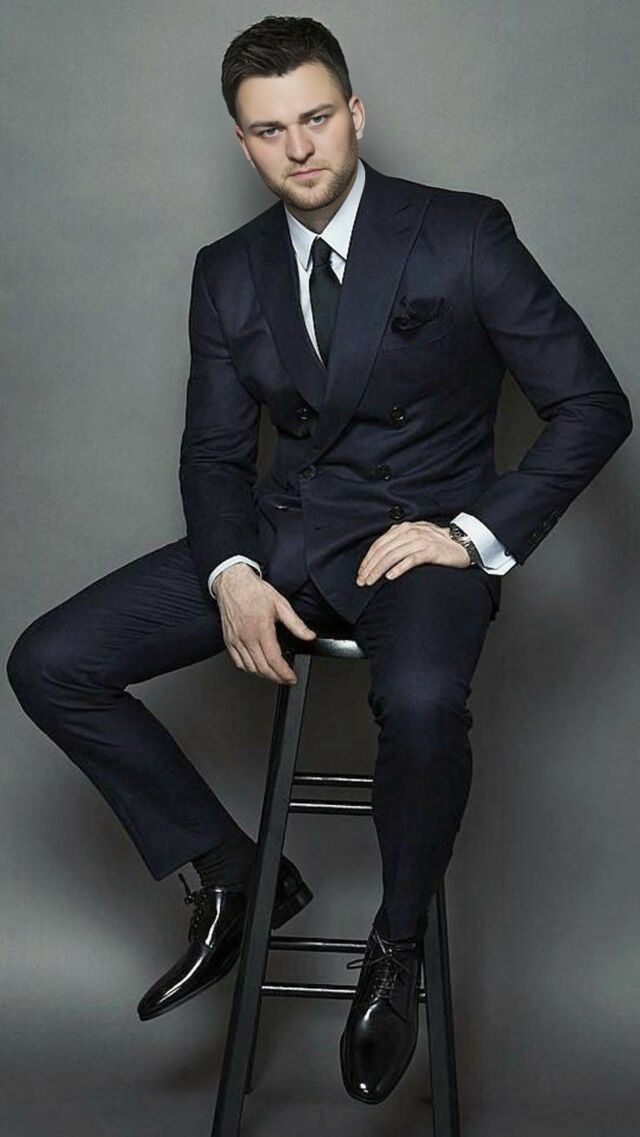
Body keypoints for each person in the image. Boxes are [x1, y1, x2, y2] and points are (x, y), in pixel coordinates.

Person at [6, 14, 632, 1105]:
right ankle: (237, 876)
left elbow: (592, 404)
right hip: (280, 541)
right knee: (50, 660)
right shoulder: (227, 271)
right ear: (242, 142)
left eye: (315, 118)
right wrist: (230, 574)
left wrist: (470, 535)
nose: (298, 148)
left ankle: (394, 950)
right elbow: (213, 455)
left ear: (354, 114)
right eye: (268, 130)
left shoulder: (461, 232)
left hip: (416, 549)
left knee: (425, 703)